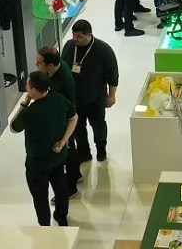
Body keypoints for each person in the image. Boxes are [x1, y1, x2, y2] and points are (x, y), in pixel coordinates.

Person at [10, 71, 78, 227]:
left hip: (38, 163)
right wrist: (63, 141)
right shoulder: (60, 100)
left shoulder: (30, 112)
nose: (26, 88)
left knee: (40, 197)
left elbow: (14, 127)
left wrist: (25, 103)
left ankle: (45, 226)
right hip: (58, 157)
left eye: (27, 86)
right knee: (61, 188)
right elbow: (73, 118)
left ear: (34, 90)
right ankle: (61, 217)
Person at [60, 20, 119, 165]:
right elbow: (62, 69)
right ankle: (84, 153)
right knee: (78, 128)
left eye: (79, 36)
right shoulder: (69, 46)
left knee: (99, 127)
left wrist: (111, 95)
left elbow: (113, 74)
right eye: (74, 35)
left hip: (96, 98)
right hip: (75, 100)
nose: (75, 39)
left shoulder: (103, 50)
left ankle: (101, 150)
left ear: (89, 35)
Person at [35, 46, 81, 199]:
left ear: (49, 64)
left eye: (39, 63)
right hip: (64, 118)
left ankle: (71, 186)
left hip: (64, 122)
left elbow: (67, 108)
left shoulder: (62, 84)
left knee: (68, 151)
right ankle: (76, 174)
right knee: (70, 149)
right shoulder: (58, 66)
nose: (36, 65)